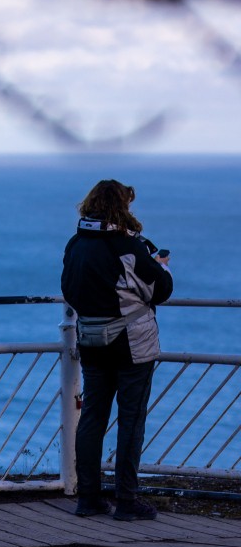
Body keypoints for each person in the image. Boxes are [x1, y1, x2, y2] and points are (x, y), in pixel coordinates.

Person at [62, 179, 172, 522]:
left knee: (92, 418)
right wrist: (161, 264)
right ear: (122, 208)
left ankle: (88, 498)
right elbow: (161, 289)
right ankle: (127, 500)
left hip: (91, 340)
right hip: (131, 346)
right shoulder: (128, 248)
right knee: (131, 421)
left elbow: (69, 289)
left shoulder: (76, 245)